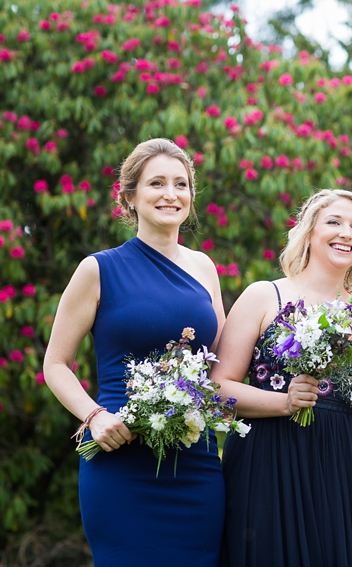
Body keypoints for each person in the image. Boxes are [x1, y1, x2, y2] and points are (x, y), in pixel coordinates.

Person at [43, 139, 226, 565]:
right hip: (119, 461)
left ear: (192, 196)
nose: (170, 194)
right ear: (129, 197)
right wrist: (94, 416)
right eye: (156, 183)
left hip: (195, 464)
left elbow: (220, 363)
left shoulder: (204, 268)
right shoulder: (98, 269)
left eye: (181, 184)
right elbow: (55, 364)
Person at [212, 189, 352, 567]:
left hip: (340, 473)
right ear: (309, 233)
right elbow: (217, 387)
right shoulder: (265, 296)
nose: (347, 233)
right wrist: (284, 402)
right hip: (267, 466)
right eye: (335, 222)